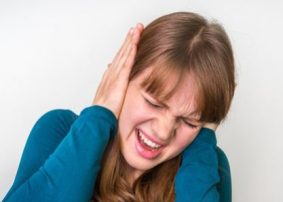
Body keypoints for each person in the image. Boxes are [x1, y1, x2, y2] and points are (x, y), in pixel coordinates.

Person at [3, 11, 235, 202]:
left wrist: (204, 134)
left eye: (189, 121)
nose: (163, 131)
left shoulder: (205, 162)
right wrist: (98, 116)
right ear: (121, 79)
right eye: (154, 103)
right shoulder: (60, 130)